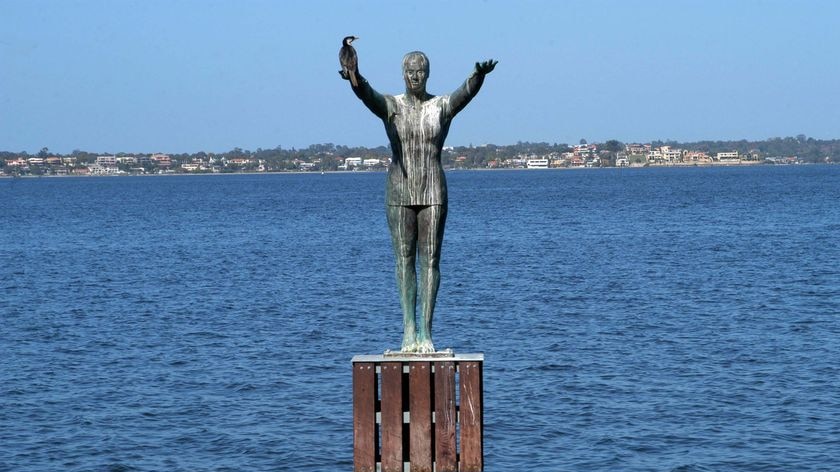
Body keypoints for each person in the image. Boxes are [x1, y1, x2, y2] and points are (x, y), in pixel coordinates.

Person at [341, 50, 497, 353]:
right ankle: (408, 330)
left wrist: (477, 77)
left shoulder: (439, 107)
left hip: (433, 191)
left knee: (431, 261)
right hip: (399, 191)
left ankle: (426, 332)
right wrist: (354, 76)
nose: (416, 76)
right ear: (403, 73)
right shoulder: (391, 106)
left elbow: (462, 96)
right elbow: (366, 95)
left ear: (428, 73)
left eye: (421, 71)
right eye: (411, 71)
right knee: (403, 260)